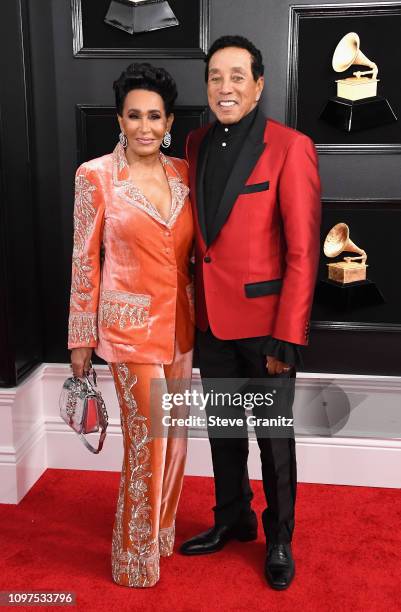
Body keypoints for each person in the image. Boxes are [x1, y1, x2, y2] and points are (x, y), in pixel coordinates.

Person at [179, 35, 321, 590]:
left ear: (259, 84)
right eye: (216, 76)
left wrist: (289, 336)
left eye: (237, 75)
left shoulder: (291, 146)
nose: (225, 86)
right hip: (211, 320)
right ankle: (231, 518)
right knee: (223, 433)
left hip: (267, 330)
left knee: (274, 440)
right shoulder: (192, 143)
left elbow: (304, 251)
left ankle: (279, 537)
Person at [68, 63, 194, 588]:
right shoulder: (94, 176)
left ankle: (161, 532)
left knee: (175, 440)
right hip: (128, 329)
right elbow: (84, 259)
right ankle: (132, 556)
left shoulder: (184, 172)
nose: (146, 126)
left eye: (156, 116)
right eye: (135, 115)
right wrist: (80, 338)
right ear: (120, 118)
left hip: (181, 326)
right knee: (147, 446)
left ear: (169, 122)